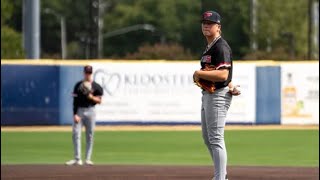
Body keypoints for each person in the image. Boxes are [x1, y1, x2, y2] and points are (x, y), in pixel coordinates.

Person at [193, 11, 239, 180]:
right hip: (209, 95)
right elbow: (224, 76)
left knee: (216, 138)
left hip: (218, 96)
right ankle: (221, 176)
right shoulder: (209, 47)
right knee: (208, 138)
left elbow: (222, 75)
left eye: (210, 23)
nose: (206, 25)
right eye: (204, 22)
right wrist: (231, 84)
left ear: (218, 27)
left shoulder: (221, 46)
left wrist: (199, 73)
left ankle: (220, 178)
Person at [66, 65, 103, 166]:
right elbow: (75, 101)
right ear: (84, 73)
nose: (88, 74)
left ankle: (87, 159)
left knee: (90, 135)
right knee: (76, 134)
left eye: (89, 72)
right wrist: (75, 114)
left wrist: (90, 96)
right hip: (80, 111)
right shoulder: (78, 85)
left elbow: (99, 101)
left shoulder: (96, 86)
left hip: (91, 111)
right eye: (86, 72)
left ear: (92, 73)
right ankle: (77, 159)